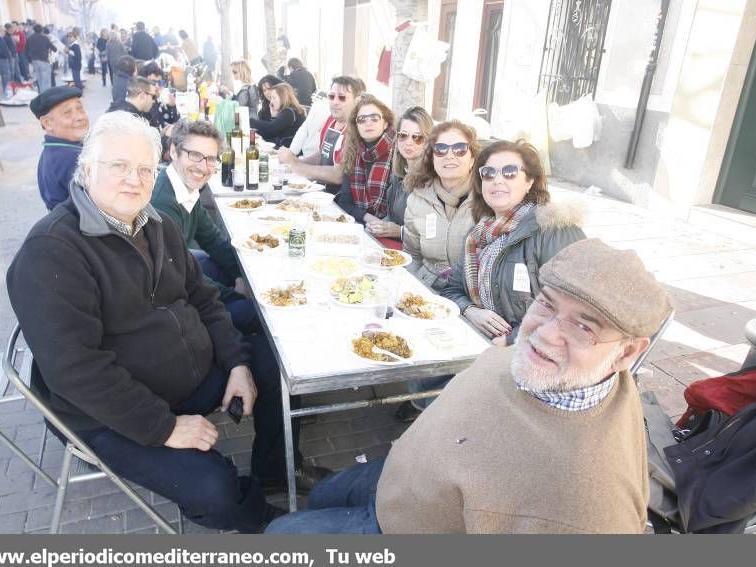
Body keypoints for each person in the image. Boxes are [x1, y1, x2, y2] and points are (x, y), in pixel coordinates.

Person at [6, 111, 325, 533]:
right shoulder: (51, 252)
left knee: (277, 363)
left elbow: (205, 299)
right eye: (118, 165)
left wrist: (237, 364)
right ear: (86, 169)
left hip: (188, 377)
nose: (133, 179)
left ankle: (273, 468)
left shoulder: (155, 223)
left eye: (143, 168)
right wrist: (166, 428)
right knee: (215, 490)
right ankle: (259, 520)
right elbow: (76, 372)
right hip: (110, 414)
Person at [267, 237, 673, 534]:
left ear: (626, 353)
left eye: (585, 326)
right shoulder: (538, 363)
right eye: (547, 303)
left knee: (278, 536)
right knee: (320, 497)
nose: (546, 334)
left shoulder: (589, 507)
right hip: (393, 476)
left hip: (396, 527)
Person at [397, 139, 587, 423]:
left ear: (530, 181)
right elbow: (452, 288)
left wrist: (508, 340)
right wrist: (471, 310)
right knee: (413, 350)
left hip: (531, 356)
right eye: (488, 173)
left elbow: (575, 312)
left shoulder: (553, 230)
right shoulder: (481, 234)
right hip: (480, 340)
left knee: (437, 386)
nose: (497, 180)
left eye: (510, 172)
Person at [150, 120, 260, 334]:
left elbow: (212, 238)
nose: (203, 166)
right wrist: (234, 294)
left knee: (223, 265)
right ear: (173, 151)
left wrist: (238, 276)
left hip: (181, 269)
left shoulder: (185, 186)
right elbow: (180, 275)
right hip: (170, 299)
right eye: (194, 155)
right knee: (255, 314)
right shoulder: (163, 202)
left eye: (210, 158)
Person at [402, 120, 479, 291]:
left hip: (470, 296)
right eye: (441, 149)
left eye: (459, 149)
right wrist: (413, 293)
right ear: (432, 157)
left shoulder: (487, 200)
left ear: (472, 159)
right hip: (426, 290)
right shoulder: (418, 199)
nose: (449, 156)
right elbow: (411, 256)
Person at [276, 75, 365, 195]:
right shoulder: (330, 120)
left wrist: (296, 165)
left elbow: (337, 175)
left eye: (342, 98)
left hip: (345, 199)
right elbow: (322, 155)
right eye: (331, 97)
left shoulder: (356, 129)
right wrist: (294, 162)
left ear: (357, 101)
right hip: (323, 191)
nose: (335, 102)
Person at [366, 106, 433, 244]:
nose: (409, 142)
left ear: (428, 141)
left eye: (417, 138)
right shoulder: (400, 171)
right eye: (403, 135)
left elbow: (432, 235)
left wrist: (400, 231)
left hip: (417, 255)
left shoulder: (432, 179)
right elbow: (391, 217)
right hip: (391, 244)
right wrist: (376, 227)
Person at [334, 94, 396, 225]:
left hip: (391, 229)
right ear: (356, 125)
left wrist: (380, 224)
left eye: (374, 118)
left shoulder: (398, 153)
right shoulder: (352, 152)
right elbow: (344, 202)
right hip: (361, 225)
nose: (368, 123)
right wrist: (367, 217)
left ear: (385, 123)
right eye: (362, 119)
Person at [30, 86, 89, 210]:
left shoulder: (54, 150)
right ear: (47, 123)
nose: (79, 117)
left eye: (80, 108)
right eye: (67, 113)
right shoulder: (71, 157)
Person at [249, 83, 305, 148]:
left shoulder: (289, 112)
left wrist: (250, 121)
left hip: (288, 152)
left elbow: (271, 128)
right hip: (286, 148)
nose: (271, 102)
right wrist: (273, 116)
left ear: (283, 97)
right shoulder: (292, 110)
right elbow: (273, 131)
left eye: (274, 98)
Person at [138, 62, 180, 131]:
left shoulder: (156, 99)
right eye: (153, 82)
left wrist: (172, 107)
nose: (157, 86)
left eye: (160, 83)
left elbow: (173, 121)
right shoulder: (144, 106)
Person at [288, 91, 330, 158]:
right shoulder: (318, 105)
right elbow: (304, 130)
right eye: (332, 96)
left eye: (341, 97)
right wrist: (291, 152)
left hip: (323, 161)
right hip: (307, 156)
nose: (336, 101)